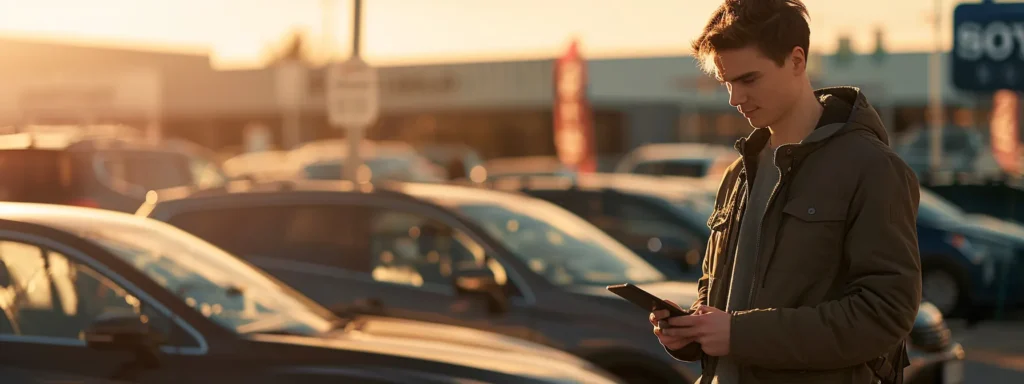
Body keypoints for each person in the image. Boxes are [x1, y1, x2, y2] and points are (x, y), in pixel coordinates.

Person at [649, 1, 922, 383]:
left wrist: (737, 334)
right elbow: (718, 295)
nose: (734, 98)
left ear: (797, 61)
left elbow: (884, 314)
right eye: (727, 83)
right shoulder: (738, 174)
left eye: (748, 80)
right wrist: (691, 332)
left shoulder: (873, 168)